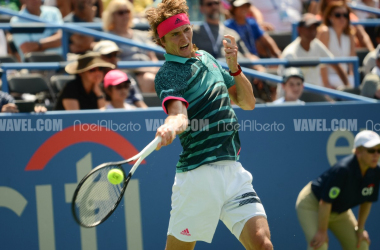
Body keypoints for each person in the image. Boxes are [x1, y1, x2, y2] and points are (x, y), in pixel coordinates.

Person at [145, 1, 273, 249]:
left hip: (233, 170)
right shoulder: (168, 74)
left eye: (186, 30)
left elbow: (247, 103)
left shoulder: (207, 58)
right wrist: (171, 125)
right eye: (175, 34)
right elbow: (179, 114)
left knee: (262, 244)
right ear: (163, 42)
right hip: (198, 175)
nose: (184, 38)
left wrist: (235, 69)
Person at [296, 130, 380, 250]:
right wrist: (322, 231)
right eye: (371, 150)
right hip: (313, 205)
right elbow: (325, 202)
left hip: (339, 211)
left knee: (361, 245)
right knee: (320, 246)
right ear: (358, 151)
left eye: (379, 150)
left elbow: (367, 200)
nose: (376, 154)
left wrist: (360, 229)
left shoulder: (375, 172)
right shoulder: (343, 170)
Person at [193, 0, 266, 72]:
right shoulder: (194, 32)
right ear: (201, 8)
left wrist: (258, 68)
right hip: (208, 76)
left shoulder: (232, 33)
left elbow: (246, 54)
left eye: (216, 3)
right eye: (209, 4)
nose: (214, 6)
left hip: (233, 76)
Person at [102, 0, 159, 93]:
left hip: (150, 71)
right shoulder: (108, 38)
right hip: (126, 75)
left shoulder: (141, 34)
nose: (125, 15)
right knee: (149, 80)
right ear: (112, 16)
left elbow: (153, 57)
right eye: (121, 13)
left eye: (127, 11)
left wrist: (154, 69)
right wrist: (144, 69)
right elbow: (113, 63)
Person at [280, 13, 349, 89]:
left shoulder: (316, 44)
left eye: (314, 27)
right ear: (299, 29)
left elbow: (335, 64)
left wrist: (348, 87)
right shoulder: (290, 53)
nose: (312, 31)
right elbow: (290, 87)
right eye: (309, 28)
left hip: (314, 94)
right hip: (295, 97)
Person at [93, 40, 148, 108]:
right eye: (109, 55)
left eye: (115, 55)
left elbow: (141, 105)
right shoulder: (92, 81)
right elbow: (103, 113)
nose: (113, 58)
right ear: (97, 58)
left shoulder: (126, 77)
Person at [317, 2, 356, 88]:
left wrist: (351, 78)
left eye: (345, 15)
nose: (342, 18)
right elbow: (322, 61)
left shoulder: (350, 33)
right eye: (338, 15)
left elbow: (352, 58)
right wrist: (326, 83)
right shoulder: (325, 32)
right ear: (330, 17)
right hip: (326, 78)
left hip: (345, 78)